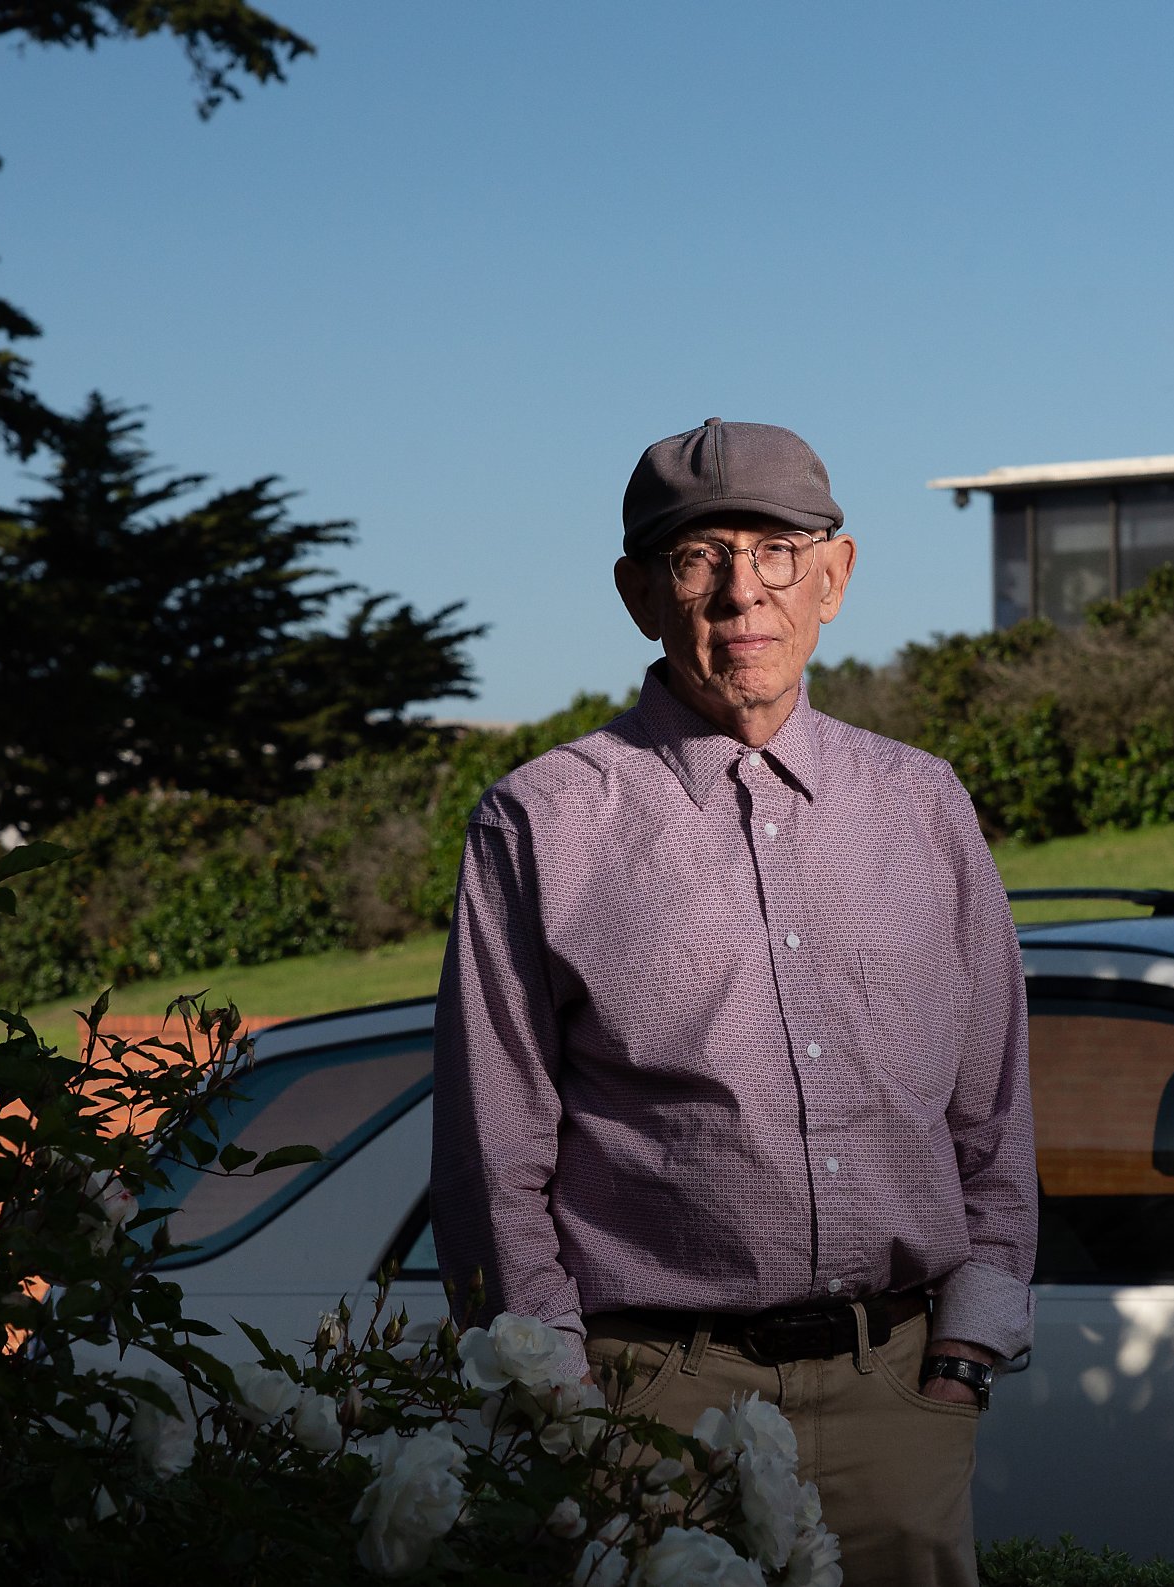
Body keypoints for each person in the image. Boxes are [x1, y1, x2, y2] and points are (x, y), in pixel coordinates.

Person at [430, 417, 1037, 1587]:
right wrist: (566, 1404)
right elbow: (491, 1150)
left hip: (896, 1395)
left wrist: (965, 1346)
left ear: (835, 576)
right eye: (697, 558)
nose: (739, 593)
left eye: (773, 551)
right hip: (651, 1404)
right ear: (638, 594)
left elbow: (993, 1110)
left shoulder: (923, 806)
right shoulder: (538, 822)